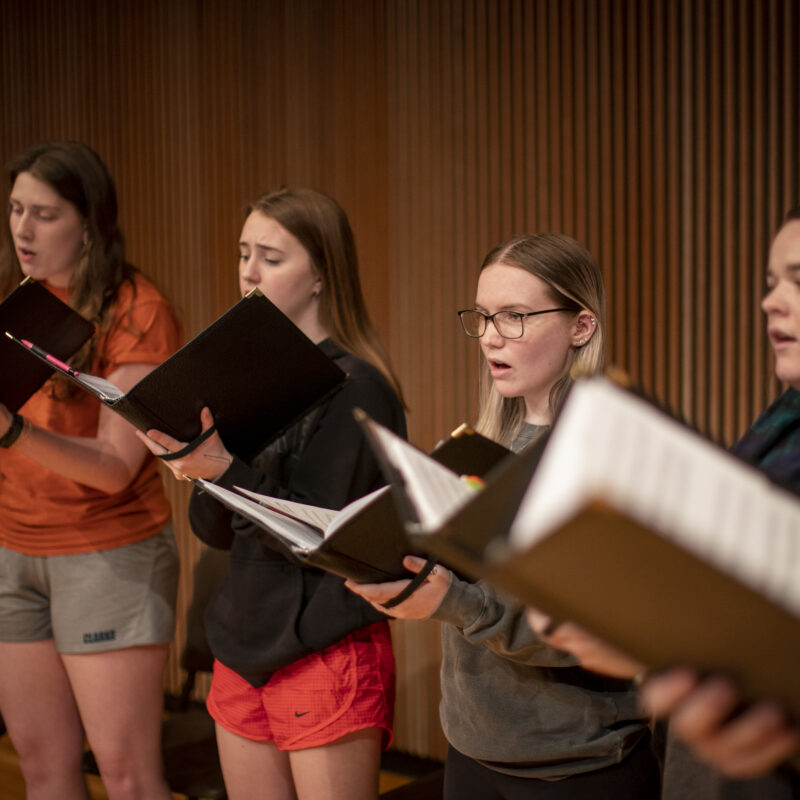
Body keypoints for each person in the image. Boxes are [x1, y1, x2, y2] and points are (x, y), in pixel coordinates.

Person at [346, 233, 661, 799]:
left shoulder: (609, 455)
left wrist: (452, 602)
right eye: (485, 317)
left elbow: (586, 632)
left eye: (515, 317)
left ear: (580, 327)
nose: (491, 337)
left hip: (575, 766)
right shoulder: (492, 445)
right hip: (474, 751)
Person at [139, 186, 406, 800]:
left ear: (321, 274)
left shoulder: (358, 387)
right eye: (242, 254)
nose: (248, 273)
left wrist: (222, 470)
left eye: (271, 257)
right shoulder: (246, 376)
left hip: (322, 645)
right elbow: (215, 532)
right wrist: (198, 467)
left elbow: (321, 537)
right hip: (244, 641)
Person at [526, 210, 800, 799]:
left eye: (799, 281)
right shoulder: (779, 426)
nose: (772, 302)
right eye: (771, 282)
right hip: (708, 761)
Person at [0, 141, 181, 800]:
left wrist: (11, 430)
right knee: (43, 770)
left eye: (44, 214)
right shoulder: (14, 299)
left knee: (128, 778)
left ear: (89, 223)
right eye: (16, 209)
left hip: (109, 554)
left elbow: (113, 467)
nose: (23, 229)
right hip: (13, 549)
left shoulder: (136, 310)